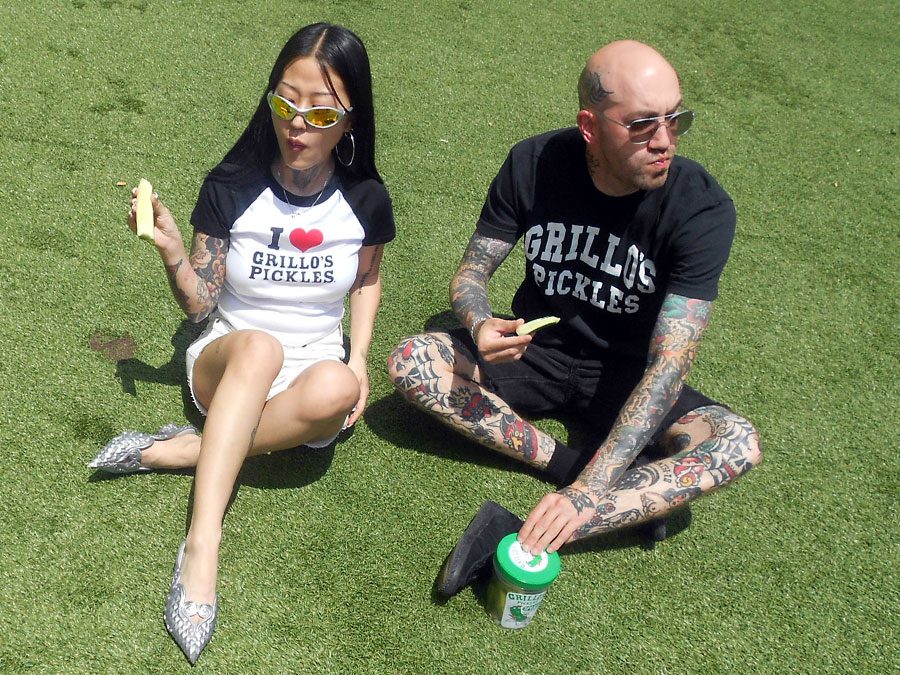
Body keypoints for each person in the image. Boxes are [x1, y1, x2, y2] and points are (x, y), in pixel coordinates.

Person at [387, 40, 761, 598]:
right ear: (590, 125)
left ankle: (525, 532)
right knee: (412, 362)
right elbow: (472, 273)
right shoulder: (534, 163)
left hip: (627, 374)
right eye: (641, 125)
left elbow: (669, 364)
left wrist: (589, 494)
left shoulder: (701, 207)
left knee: (736, 444)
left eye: (675, 118)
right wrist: (481, 320)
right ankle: (572, 468)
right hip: (537, 350)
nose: (664, 141)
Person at [88, 23, 395, 663]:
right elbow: (202, 303)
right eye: (284, 103)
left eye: (318, 112)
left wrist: (360, 358)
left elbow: (366, 278)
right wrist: (174, 253)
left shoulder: (365, 197)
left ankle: (177, 452)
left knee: (337, 384)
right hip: (228, 358)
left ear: (350, 120)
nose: (297, 125)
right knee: (260, 348)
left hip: (309, 378)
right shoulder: (232, 183)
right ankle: (202, 546)